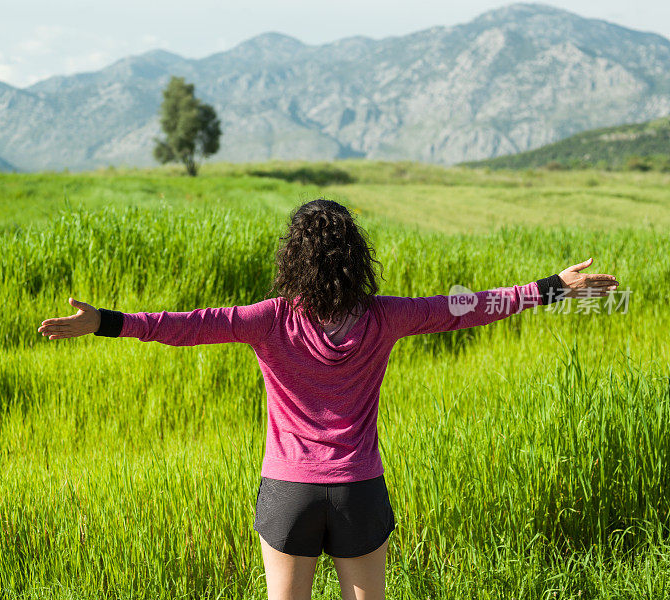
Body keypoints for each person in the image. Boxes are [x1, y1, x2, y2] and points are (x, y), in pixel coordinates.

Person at [38, 199, 618, 600]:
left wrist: (106, 323)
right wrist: (553, 288)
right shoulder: (386, 316)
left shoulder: (267, 320)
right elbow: (472, 304)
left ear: (293, 257)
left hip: (289, 491)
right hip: (357, 489)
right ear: (355, 256)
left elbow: (184, 324)